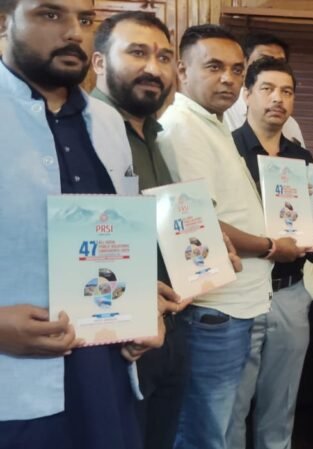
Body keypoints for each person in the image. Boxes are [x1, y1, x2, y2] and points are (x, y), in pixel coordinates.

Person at [0, 1, 171, 448]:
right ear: (4, 22)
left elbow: (120, 236)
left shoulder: (108, 122)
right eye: (50, 14)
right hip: (14, 389)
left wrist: (143, 307)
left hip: (107, 375)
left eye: (85, 19)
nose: (74, 31)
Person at [157, 24, 304, 449]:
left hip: (236, 304)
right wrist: (272, 246)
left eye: (237, 69)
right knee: (208, 429)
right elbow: (201, 224)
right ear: (182, 70)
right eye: (214, 67)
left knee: (217, 422)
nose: (228, 78)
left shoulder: (212, 122)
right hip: (213, 310)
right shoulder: (182, 126)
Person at [90, 11, 192, 449]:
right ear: (98, 62)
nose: (153, 67)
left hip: (169, 326)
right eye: (137, 52)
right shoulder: (83, 131)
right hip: (112, 336)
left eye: (164, 57)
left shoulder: (157, 136)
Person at [227, 57, 313, 449]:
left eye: (287, 91)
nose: (277, 99)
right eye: (267, 89)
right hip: (238, 293)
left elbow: (311, 235)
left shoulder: (302, 159)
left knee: (280, 407)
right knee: (232, 410)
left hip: (290, 292)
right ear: (247, 95)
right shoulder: (227, 150)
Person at [223, 31, 304, 146]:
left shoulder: (291, 125)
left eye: (280, 63)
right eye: (263, 61)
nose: (273, 68)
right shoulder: (223, 113)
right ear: (243, 64)